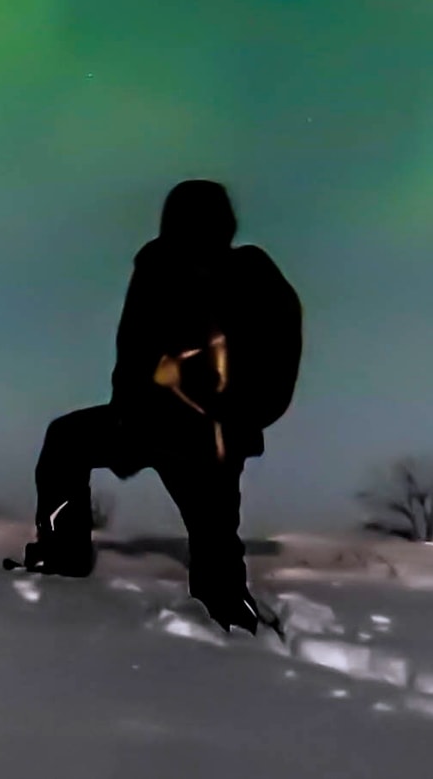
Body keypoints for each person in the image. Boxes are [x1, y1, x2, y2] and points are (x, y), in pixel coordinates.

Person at [18, 179, 302, 631]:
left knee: (216, 551)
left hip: (201, 436)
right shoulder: (159, 265)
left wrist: (226, 411)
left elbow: (270, 365)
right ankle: (63, 559)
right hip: (153, 425)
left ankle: (236, 627)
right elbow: (137, 351)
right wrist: (135, 404)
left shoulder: (246, 275)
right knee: (68, 443)